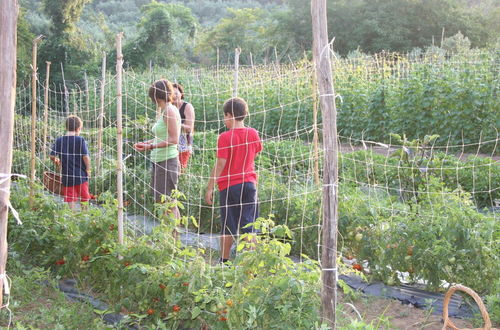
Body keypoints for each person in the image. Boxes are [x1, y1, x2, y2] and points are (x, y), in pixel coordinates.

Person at [205, 97, 263, 263]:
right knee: (249, 225)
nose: (224, 120)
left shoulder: (225, 137)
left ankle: (224, 261)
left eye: (224, 116)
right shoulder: (253, 133)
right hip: (249, 185)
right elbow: (255, 153)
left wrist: (209, 187)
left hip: (229, 186)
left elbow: (220, 164)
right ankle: (251, 263)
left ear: (229, 115)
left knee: (228, 226)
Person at [134, 79, 181, 221]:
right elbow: (162, 136)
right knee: (162, 201)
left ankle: (173, 236)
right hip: (160, 161)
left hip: (167, 162)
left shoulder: (169, 111)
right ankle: (168, 234)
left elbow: (174, 139)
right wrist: (146, 143)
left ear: (155, 96)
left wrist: (151, 146)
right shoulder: (165, 110)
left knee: (168, 201)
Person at [50, 115, 91, 210]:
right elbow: (85, 157)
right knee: (84, 196)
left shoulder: (60, 140)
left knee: (70, 197)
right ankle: (85, 215)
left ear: (66, 127)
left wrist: (57, 162)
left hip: (67, 175)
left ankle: (73, 216)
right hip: (80, 175)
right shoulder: (80, 140)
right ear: (78, 128)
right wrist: (88, 170)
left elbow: (52, 156)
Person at [172, 83, 195, 169]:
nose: (174, 96)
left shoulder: (187, 107)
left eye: (176, 93)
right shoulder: (169, 107)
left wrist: (175, 123)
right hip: (170, 142)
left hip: (184, 143)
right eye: (171, 93)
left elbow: (189, 128)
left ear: (181, 94)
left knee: (181, 168)